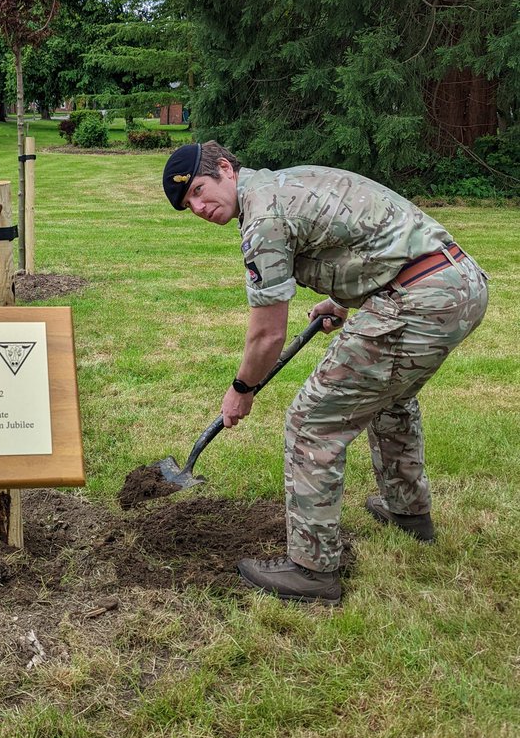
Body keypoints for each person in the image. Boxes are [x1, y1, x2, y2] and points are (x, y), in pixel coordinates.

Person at [162, 141, 489, 605]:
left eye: (199, 191)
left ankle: (312, 570)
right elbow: (360, 235)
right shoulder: (286, 182)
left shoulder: (263, 219)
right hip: (458, 280)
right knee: (388, 399)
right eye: (188, 204)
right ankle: (409, 515)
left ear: (224, 169)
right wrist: (340, 301)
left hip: (419, 301)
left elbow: (266, 336)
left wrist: (242, 389)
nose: (198, 207)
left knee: (311, 421)